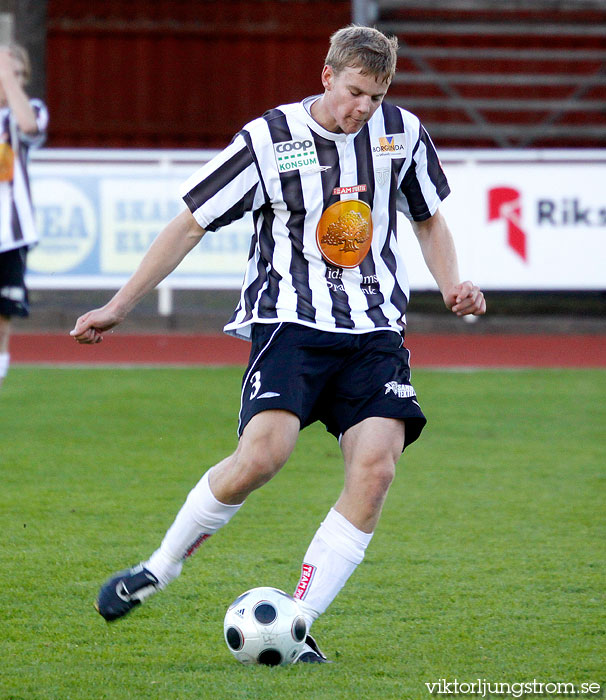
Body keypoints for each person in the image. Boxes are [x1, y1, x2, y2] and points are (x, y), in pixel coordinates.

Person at [71, 25, 485, 663]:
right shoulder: (270, 140)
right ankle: (160, 566)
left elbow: (428, 218)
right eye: (354, 93)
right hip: (290, 322)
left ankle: (299, 620)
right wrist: (119, 306)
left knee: (376, 470)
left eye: (376, 96)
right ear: (326, 76)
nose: (363, 109)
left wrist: (453, 282)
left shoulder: (401, 133)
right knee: (263, 456)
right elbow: (190, 223)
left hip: (373, 329)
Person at [0, 44, 48, 388]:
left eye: (18, 75)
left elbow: (29, 128)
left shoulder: (29, 110)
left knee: (4, 318)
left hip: (10, 234)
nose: (8, 80)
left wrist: (7, 74)